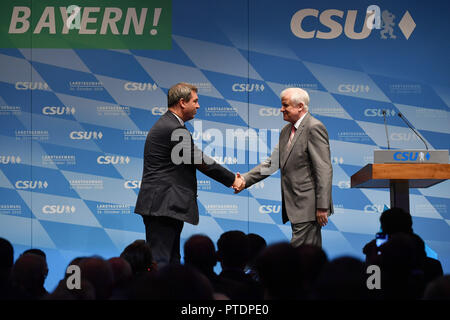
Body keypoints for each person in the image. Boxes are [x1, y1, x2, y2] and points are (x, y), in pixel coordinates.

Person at [134, 83, 243, 265]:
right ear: (182, 102)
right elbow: (198, 160)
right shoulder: (173, 128)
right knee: (161, 261)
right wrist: (232, 179)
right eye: (195, 101)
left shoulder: (171, 124)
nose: (198, 106)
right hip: (163, 205)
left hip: (165, 205)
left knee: (172, 261)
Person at [235, 87, 333, 247]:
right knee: (308, 255)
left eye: (285, 105)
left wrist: (322, 206)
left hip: (309, 205)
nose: (281, 109)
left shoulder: (314, 127)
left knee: (299, 254)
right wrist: (245, 179)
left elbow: (324, 169)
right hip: (296, 204)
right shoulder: (286, 130)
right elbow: (272, 163)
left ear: (300, 106)